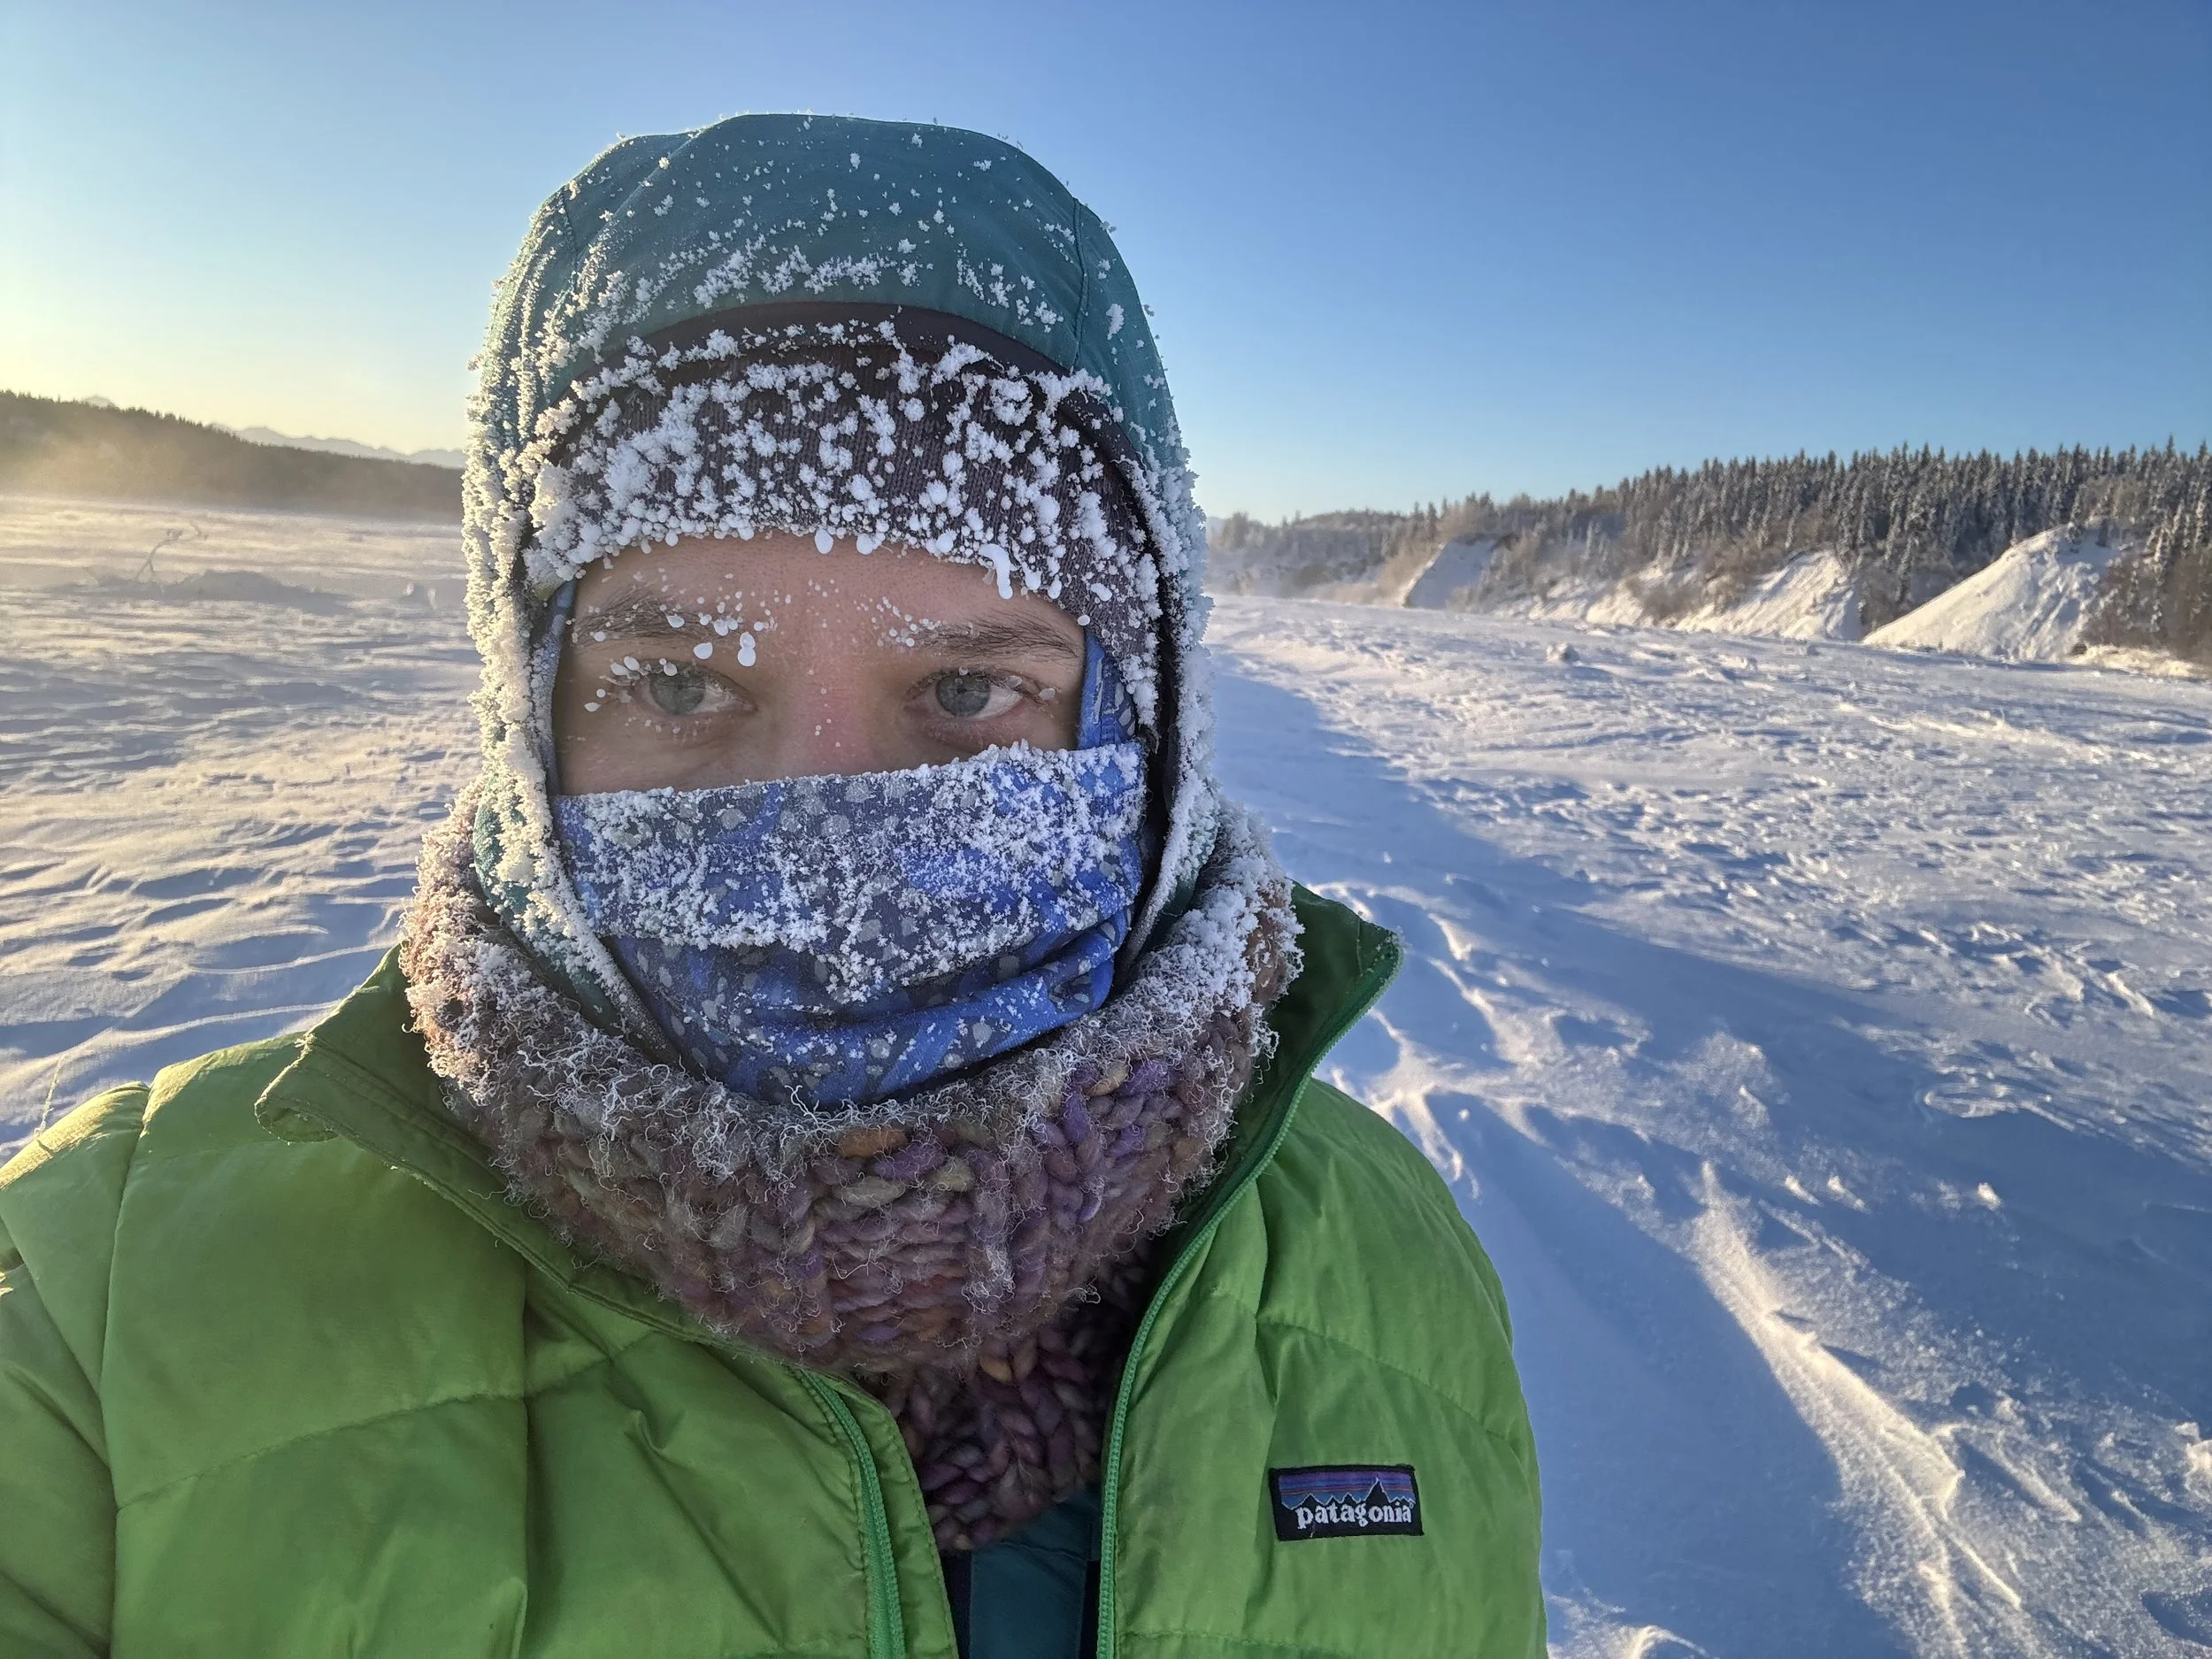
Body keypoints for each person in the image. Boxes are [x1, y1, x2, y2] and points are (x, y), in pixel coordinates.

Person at [0, 114, 1542, 1657]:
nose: (822, 856)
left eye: (963, 696)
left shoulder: (1390, 1264)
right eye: (675, 684)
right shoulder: (94, 1324)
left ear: (1141, 729)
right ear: (528, 728)